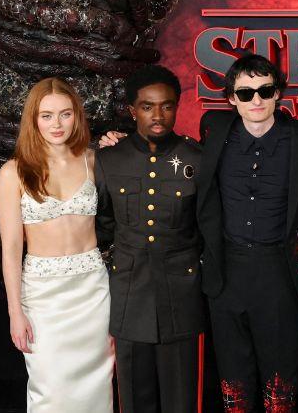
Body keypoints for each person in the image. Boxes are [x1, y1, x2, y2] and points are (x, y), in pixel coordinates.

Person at [194, 53, 298, 412]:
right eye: (245, 93)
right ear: (231, 98)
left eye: (265, 90)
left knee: (281, 375)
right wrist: (117, 139)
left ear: (278, 94)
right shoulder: (213, 130)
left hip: (282, 273)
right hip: (226, 272)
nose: (256, 100)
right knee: (233, 376)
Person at [0, 77, 112, 413]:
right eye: (46, 116)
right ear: (33, 120)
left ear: (77, 116)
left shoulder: (95, 161)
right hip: (42, 296)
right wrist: (15, 311)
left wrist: (119, 143)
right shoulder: (13, 172)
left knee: (97, 388)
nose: (56, 124)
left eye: (65, 114)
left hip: (93, 292)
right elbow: (11, 250)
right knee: (51, 392)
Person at [95, 65, 206, 413]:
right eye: (147, 107)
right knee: (133, 398)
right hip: (130, 295)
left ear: (177, 107)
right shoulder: (109, 159)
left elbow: (206, 226)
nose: (158, 115)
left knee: (182, 400)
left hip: (182, 295)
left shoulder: (197, 159)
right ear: (132, 110)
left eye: (166, 106)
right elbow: (102, 224)